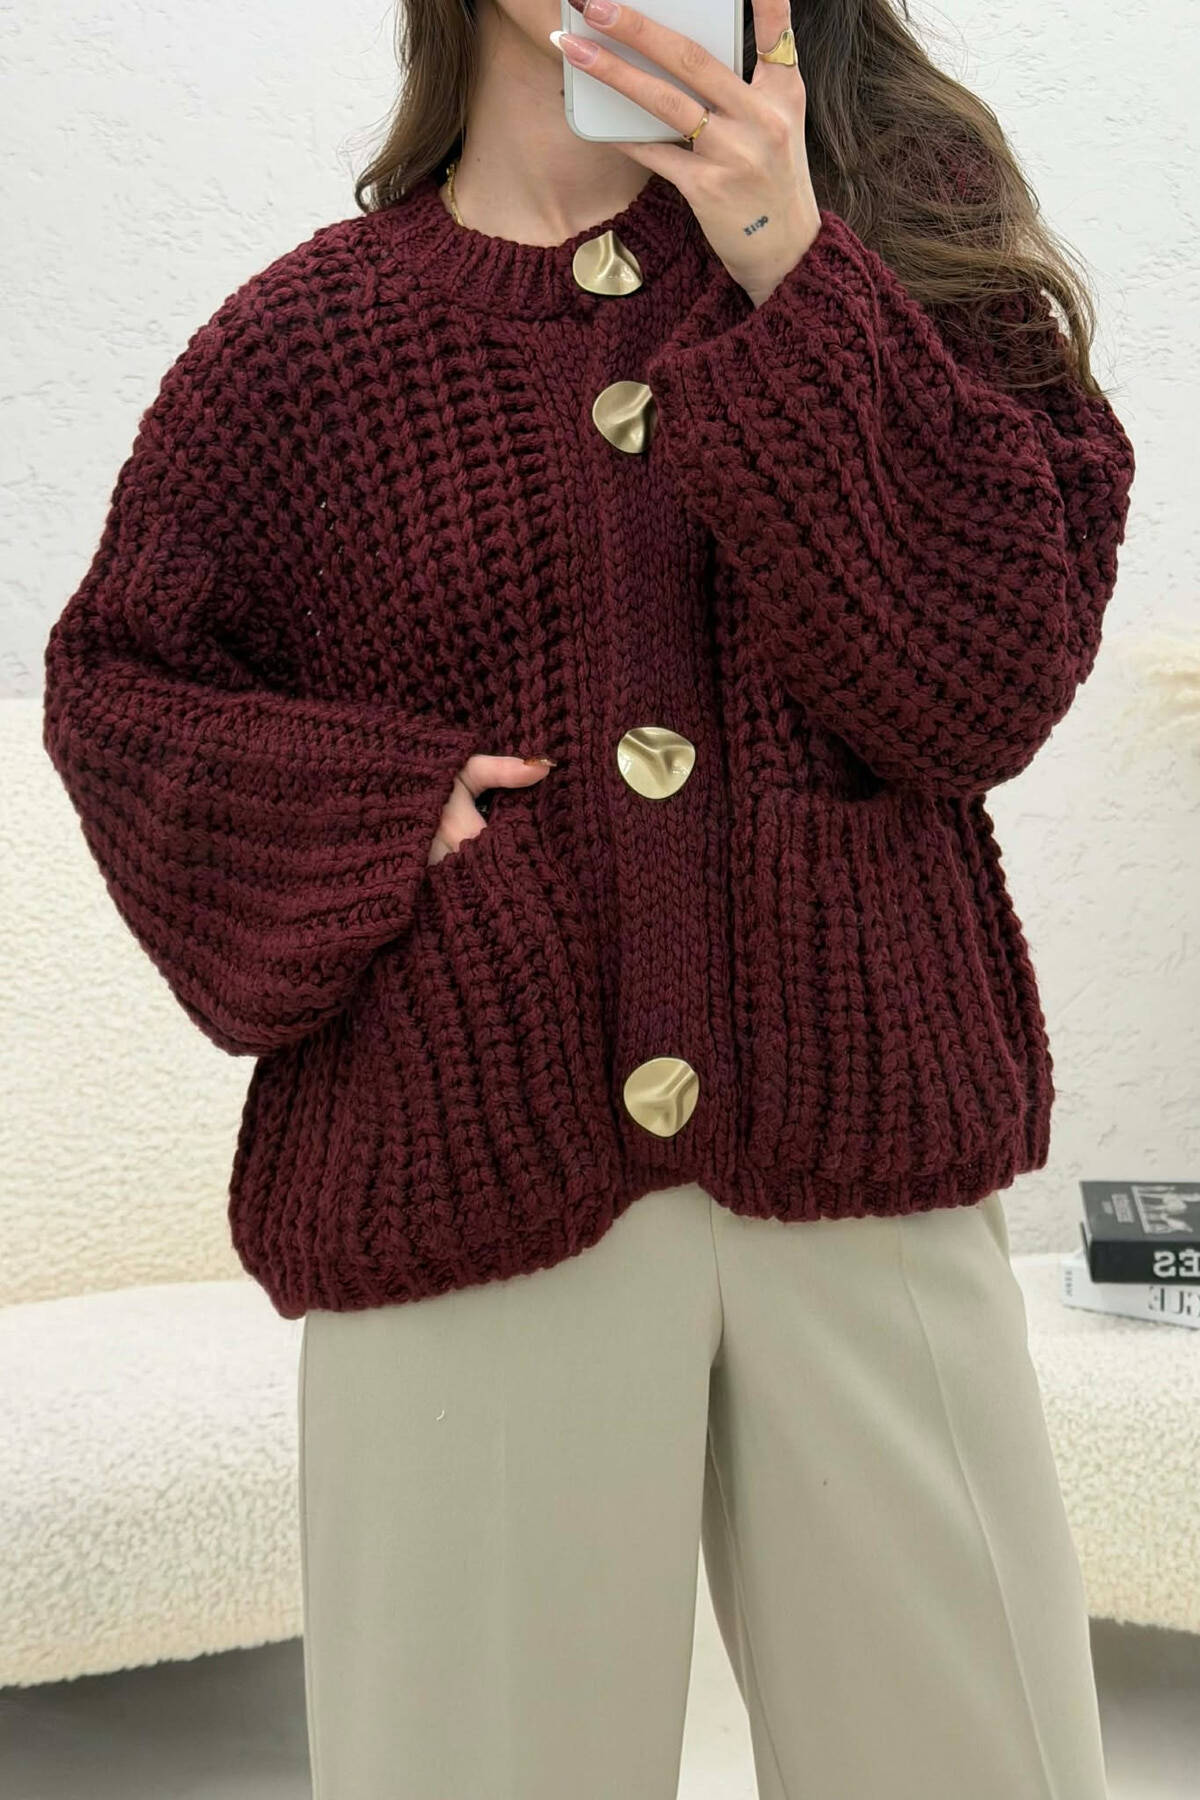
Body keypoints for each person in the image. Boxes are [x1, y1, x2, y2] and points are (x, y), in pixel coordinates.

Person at [41, 0, 1137, 1793]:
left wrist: (787, 264)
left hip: (867, 1165)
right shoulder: (307, 348)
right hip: (466, 1170)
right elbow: (122, 689)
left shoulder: (890, 237)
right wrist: (379, 813)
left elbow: (985, 688)